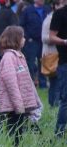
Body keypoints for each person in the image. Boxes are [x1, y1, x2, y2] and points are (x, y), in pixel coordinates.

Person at [0, 26, 42, 146]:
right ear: (15, 39)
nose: (24, 39)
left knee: (19, 131)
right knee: (14, 133)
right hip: (14, 106)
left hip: (20, 105)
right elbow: (11, 83)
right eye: (22, 37)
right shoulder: (9, 58)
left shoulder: (18, 55)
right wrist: (19, 105)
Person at [19, 0, 51, 88]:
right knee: (31, 62)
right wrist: (27, 37)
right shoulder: (27, 10)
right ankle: (31, 83)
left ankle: (43, 84)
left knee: (43, 61)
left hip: (44, 41)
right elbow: (21, 25)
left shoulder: (47, 9)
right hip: (32, 41)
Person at [49, 0, 67, 137]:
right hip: (65, 62)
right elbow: (51, 36)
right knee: (65, 100)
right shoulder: (59, 14)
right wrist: (64, 41)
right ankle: (59, 133)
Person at [42, 0, 63, 108]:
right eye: (59, 4)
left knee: (57, 81)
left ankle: (55, 103)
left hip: (56, 54)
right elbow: (44, 38)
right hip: (51, 54)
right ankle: (53, 104)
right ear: (54, 6)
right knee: (54, 81)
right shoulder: (50, 19)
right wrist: (59, 39)